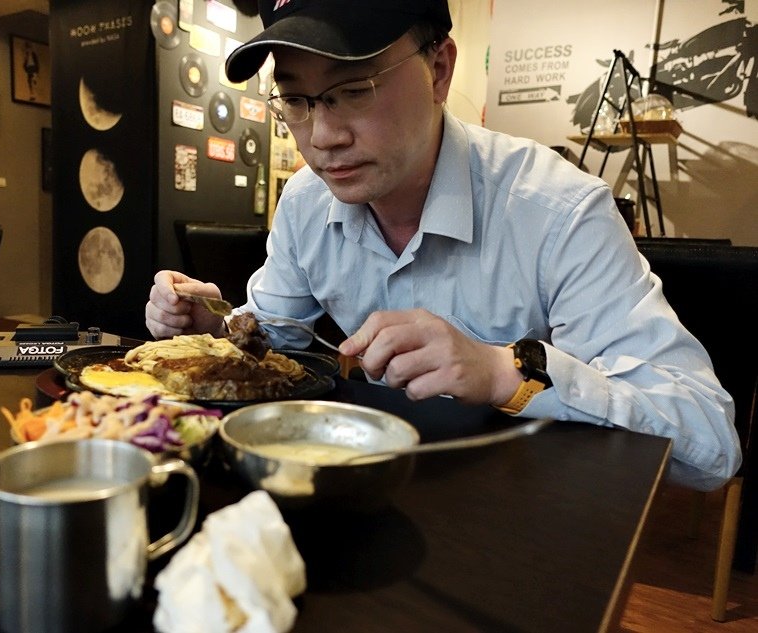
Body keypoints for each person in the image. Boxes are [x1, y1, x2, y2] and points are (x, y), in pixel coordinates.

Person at [145, 0, 741, 491]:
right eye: (296, 101)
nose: (322, 137)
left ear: (439, 70)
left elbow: (709, 443)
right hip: (376, 488)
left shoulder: (558, 212)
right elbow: (276, 335)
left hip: (528, 505)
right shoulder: (307, 201)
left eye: (353, 89)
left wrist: (506, 371)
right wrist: (215, 324)